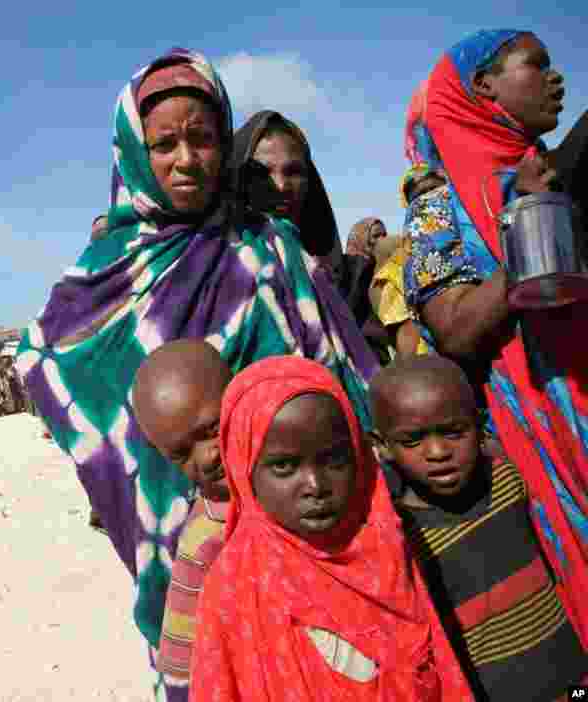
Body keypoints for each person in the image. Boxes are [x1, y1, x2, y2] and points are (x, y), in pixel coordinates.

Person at [15, 48, 378, 700]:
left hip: (298, 509)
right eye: (164, 144)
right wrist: (124, 453)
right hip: (179, 528)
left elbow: (335, 366)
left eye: (204, 138)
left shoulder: (269, 245)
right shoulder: (107, 270)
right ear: (134, 151)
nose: (186, 159)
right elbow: (43, 363)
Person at [402, 30, 588, 641]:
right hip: (538, 432)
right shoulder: (438, 204)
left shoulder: (554, 168)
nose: (555, 78)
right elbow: (454, 329)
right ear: (483, 87)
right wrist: (531, 226)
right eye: (537, 65)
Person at [191, 355, 474, 701]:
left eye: (334, 460)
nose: (315, 484)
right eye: (284, 466)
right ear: (243, 468)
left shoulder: (385, 541)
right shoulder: (233, 592)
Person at [369, 355, 588, 700]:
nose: (438, 451)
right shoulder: (404, 537)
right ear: (383, 447)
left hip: (575, 679)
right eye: (413, 440)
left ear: (479, 422)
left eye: (454, 432)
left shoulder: (509, 477)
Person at [131, 340, 232, 700]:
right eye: (181, 454)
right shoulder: (204, 539)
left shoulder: (307, 476)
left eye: (210, 430)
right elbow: (180, 667)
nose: (206, 458)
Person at [232, 110, 343, 280]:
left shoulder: (336, 277)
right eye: (263, 173)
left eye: (293, 172)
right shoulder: (214, 269)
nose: (281, 186)